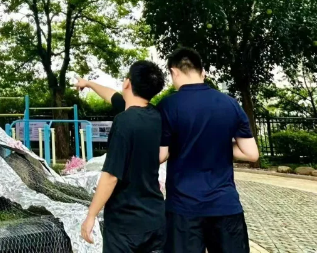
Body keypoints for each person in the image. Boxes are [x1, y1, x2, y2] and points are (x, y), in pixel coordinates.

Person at [158, 47, 259, 253]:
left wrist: (180, 144)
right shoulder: (230, 104)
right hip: (225, 206)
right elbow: (251, 154)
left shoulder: (167, 106)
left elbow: (160, 155)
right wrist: (219, 144)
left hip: (183, 209)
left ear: (174, 72)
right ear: (202, 72)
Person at [79, 61, 166, 253]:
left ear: (127, 83)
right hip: (155, 219)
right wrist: (89, 83)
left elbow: (111, 176)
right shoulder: (156, 116)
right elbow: (111, 95)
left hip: (125, 225)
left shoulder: (124, 121)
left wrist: (91, 215)